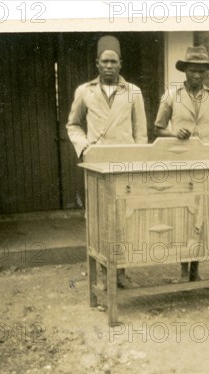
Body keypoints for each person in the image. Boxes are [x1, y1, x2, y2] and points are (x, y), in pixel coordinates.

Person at [67, 35, 147, 289]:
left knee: (126, 219)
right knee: (100, 219)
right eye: (105, 62)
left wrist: (139, 160)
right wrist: (85, 148)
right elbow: (73, 125)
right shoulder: (84, 91)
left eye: (114, 61)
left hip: (126, 165)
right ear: (97, 64)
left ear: (121, 63)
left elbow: (141, 132)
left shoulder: (133, 92)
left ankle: (121, 273)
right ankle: (103, 275)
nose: (110, 66)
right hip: (98, 165)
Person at [154, 45, 209, 281]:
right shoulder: (171, 95)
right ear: (184, 71)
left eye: (202, 71)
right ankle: (183, 271)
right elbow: (157, 128)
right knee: (184, 216)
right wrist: (174, 133)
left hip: (206, 164)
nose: (197, 75)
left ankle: (196, 270)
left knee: (203, 216)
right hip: (181, 164)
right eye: (193, 70)